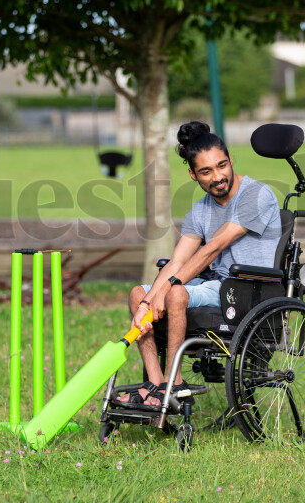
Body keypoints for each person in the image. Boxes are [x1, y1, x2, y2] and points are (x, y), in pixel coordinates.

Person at [116, 121, 281, 408]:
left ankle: (174, 382)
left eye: (222, 166)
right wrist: (146, 303)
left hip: (250, 289)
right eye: (206, 171)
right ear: (193, 174)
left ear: (231, 161)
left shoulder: (256, 195)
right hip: (216, 285)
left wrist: (168, 289)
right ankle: (156, 384)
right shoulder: (200, 210)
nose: (217, 177)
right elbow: (178, 260)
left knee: (176, 293)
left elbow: (213, 248)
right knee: (137, 293)